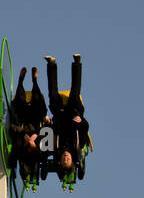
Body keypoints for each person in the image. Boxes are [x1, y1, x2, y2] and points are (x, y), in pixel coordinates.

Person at [44, 54, 91, 187]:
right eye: (68, 159)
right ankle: (77, 62)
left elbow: (50, 132)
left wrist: (47, 123)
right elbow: (85, 128)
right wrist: (80, 120)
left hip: (60, 115)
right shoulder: (78, 146)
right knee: (74, 94)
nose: (66, 157)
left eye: (64, 159)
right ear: (71, 160)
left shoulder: (55, 149)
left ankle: (51, 64)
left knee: (53, 95)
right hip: (73, 114)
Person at [10, 67, 48, 183]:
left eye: (29, 144)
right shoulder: (40, 148)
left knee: (20, 100)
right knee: (37, 99)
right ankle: (35, 80)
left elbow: (12, 128)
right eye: (33, 144)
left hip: (23, 117)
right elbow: (47, 130)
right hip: (36, 117)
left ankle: (20, 81)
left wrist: (23, 133)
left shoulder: (20, 146)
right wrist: (36, 134)